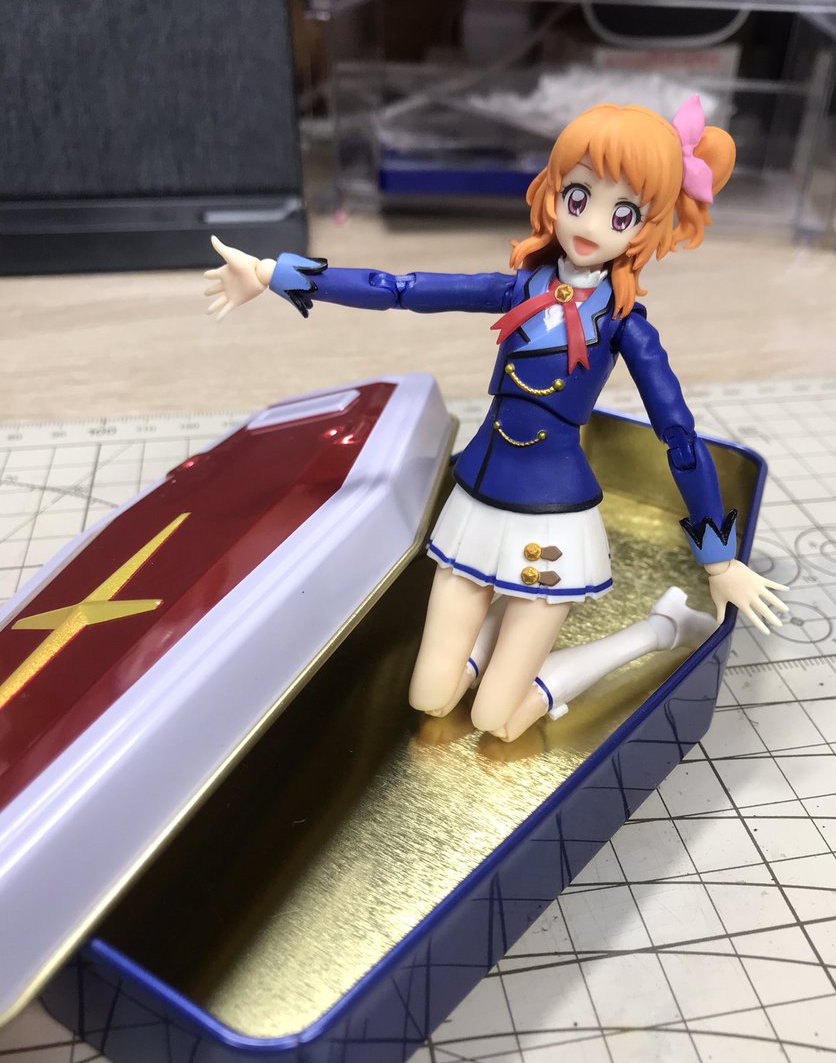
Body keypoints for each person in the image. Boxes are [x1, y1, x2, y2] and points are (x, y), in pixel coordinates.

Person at [204, 97, 787, 742]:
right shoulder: (516, 288)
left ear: (645, 226)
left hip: (552, 517)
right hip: (480, 497)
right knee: (431, 697)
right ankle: (504, 627)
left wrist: (719, 561)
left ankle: (659, 628)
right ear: (554, 191)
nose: (591, 223)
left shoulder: (626, 327)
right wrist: (273, 272)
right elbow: (399, 289)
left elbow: (679, 437)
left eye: (621, 213)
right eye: (578, 197)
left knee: (497, 720)